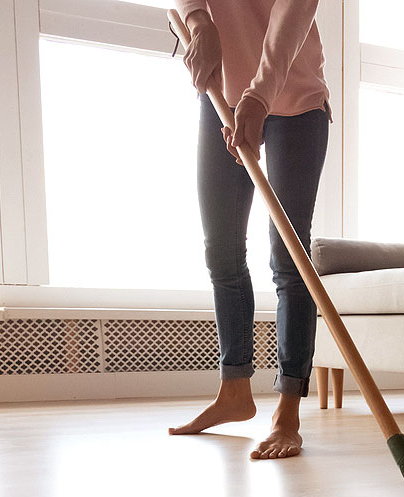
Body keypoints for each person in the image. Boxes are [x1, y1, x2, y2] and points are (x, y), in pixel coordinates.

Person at [168, 0, 330, 462]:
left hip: (295, 100)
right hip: (222, 93)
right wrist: (199, 23)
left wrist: (259, 96)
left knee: (289, 256)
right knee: (221, 249)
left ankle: (288, 411)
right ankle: (234, 391)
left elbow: (291, 18)